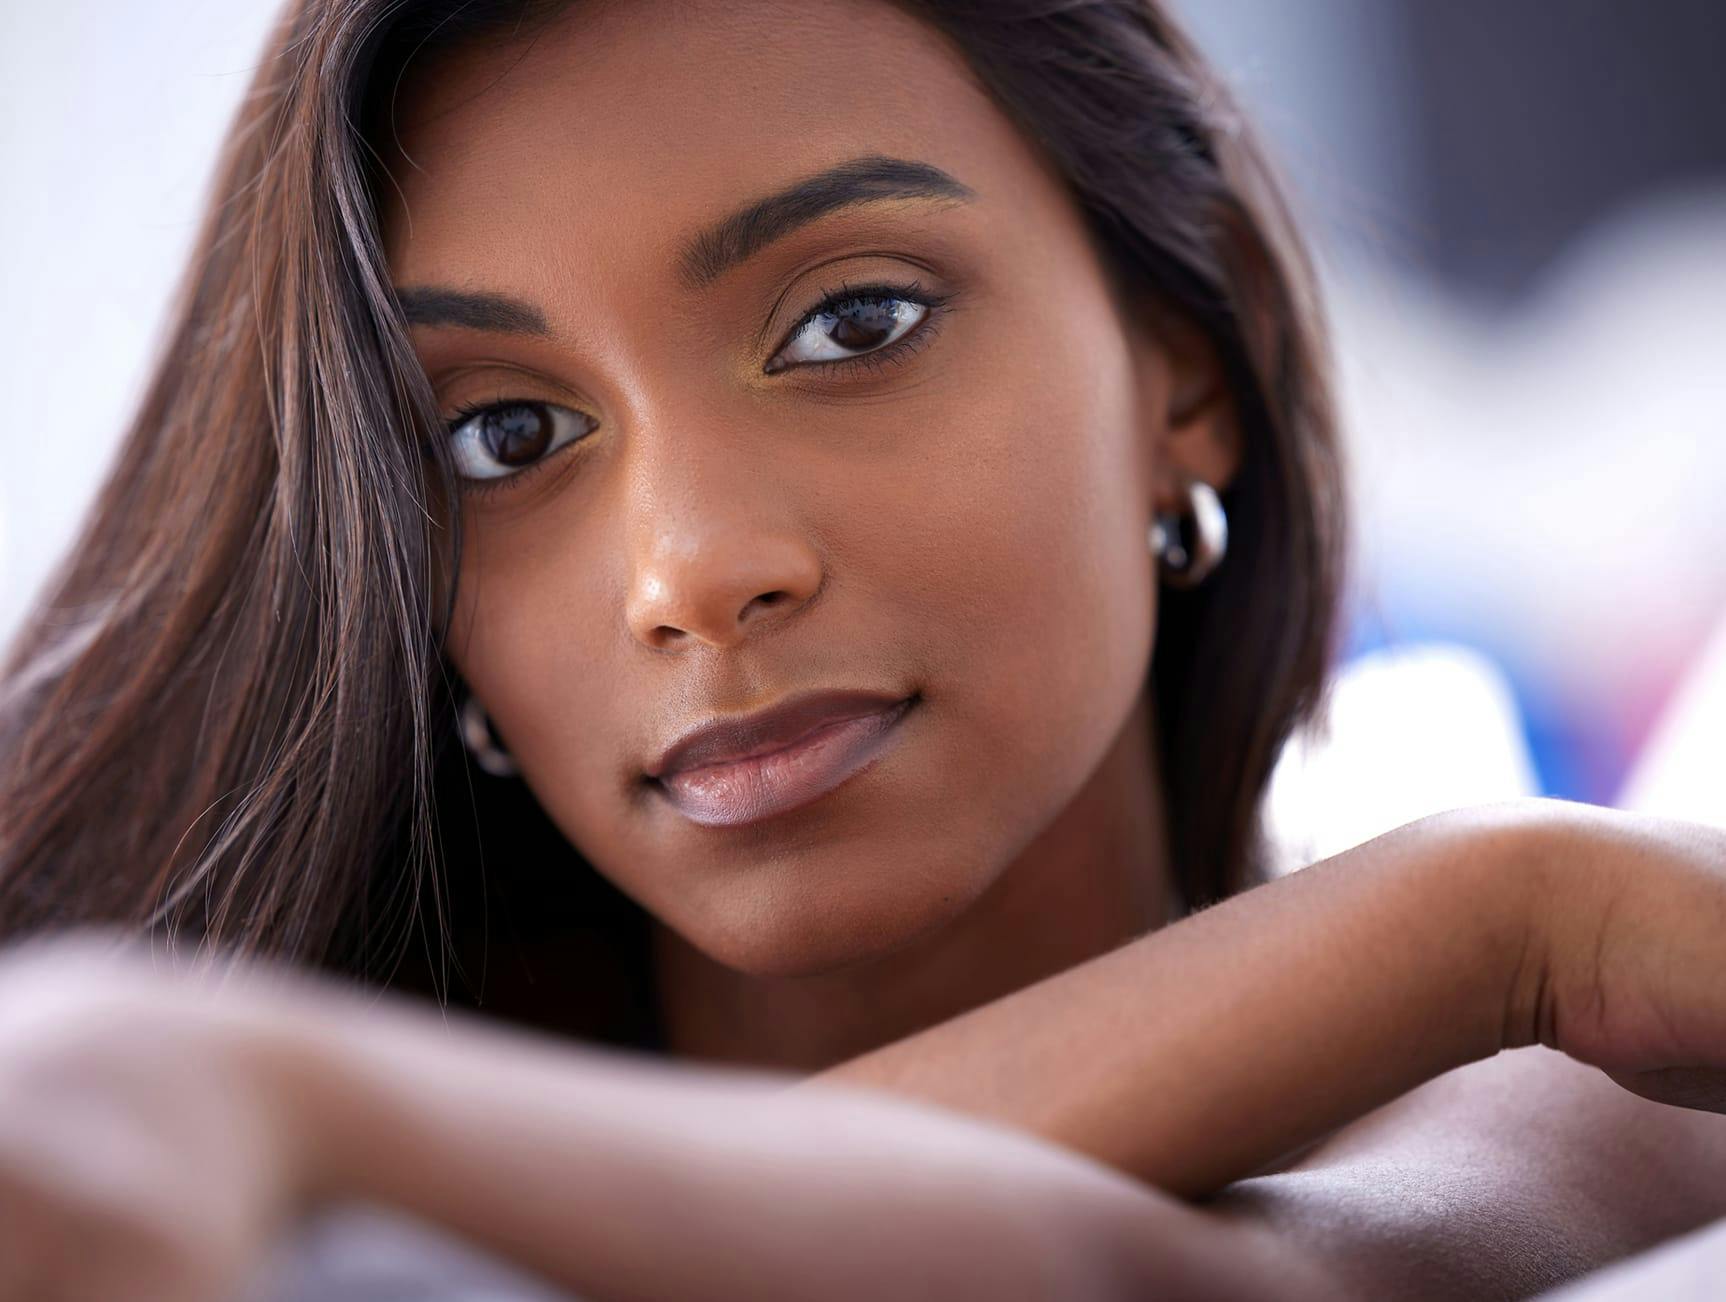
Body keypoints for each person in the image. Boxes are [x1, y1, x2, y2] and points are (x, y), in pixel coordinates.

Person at [0, 1, 1723, 1298]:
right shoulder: (134, 1130)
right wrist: (1484, 915)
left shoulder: (1596, 1067)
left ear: (1188, 375)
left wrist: (1506, 923)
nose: (691, 569)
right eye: (504, 441)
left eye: (853, 322)